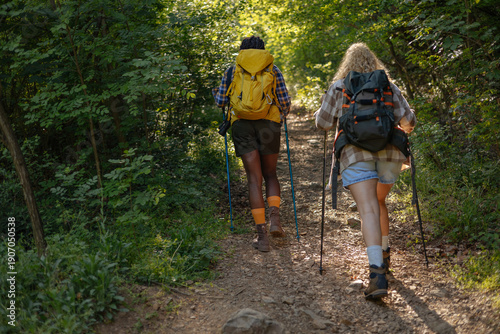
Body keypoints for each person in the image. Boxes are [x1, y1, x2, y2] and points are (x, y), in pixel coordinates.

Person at [315, 42, 417, 299]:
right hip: (390, 155)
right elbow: (409, 121)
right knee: (379, 201)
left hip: (354, 154)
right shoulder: (388, 86)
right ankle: (385, 254)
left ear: (346, 64)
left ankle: (377, 274)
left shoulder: (340, 86)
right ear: (374, 62)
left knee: (369, 207)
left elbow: (323, 123)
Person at [213, 36, 291, 252]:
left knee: (253, 180)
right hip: (269, 125)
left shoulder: (232, 71)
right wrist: (280, 114)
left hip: (242, 125)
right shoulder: (273, 70)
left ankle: (262, 236)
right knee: (271, 174)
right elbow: (284, 103)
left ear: (242, 50)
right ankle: (275, 219)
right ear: (262, 50)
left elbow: (220, 101)